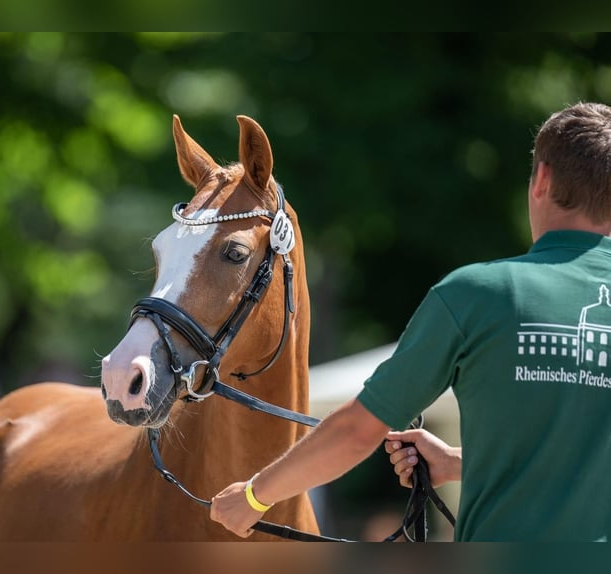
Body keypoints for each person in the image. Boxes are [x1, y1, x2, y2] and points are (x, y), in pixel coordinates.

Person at [210, 101, 611, 542]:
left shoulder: (480, 294)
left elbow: (357, 430)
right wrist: (458, 464)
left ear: (541, 180)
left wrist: (252, 497)